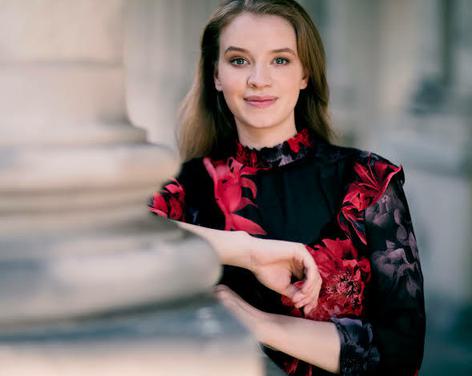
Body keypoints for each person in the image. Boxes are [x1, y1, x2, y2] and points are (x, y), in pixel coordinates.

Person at [148, 0, 426, 375]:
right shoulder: (185, 186)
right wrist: (246, 251)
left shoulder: (368, 180)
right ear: (216, 74)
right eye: (239, 60)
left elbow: (401, 353)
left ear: (304, 74)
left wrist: (261, 325)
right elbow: (110, 239)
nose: (258, 79)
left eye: (280, 60)